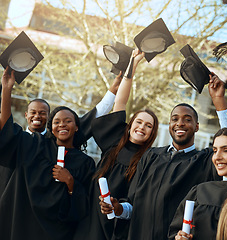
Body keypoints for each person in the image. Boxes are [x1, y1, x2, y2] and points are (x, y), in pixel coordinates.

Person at [100, 69, 227, 240]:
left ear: (196, 126)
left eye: (187, 119)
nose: (180, 123)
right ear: (170, 124)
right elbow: (132, 204)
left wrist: (218, 101)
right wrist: (118, 208)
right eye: (175, 118)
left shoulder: (204, 161)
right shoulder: (150, 157)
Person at [0, 67, 96, 240]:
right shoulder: (34, 144)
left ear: (76, 127)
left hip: (57, 232)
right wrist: (7, 90)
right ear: (51, 127)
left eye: (68, 121)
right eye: (57, 122)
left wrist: (71, 183)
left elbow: (85, 208)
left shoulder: (86, 163)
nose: (62, 125)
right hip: (23, 223)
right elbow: (6, 131)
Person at [74, 49, 159, 240]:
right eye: (138, 122)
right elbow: (121, 101)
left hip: (115, 221)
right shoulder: (115, 140)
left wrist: (118, 208)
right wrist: (133, 64)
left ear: (152, 133)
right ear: (129, 126)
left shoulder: (149, 158)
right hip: (89, 212)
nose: (142, 127)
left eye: (148, 126)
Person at [0, 71, 120, 198]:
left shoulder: (57, 143)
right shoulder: (26, 142)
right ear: (26, 114)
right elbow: (6, 129)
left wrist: (116, 87)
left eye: (42, 113)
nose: (37, 116)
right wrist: (6, 89)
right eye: (33, 112)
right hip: (10, 199)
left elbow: (92, 118)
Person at [168, 126, 227, 240]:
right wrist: (179, 237)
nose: (217, 157)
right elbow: (175, 232)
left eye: (226, 150)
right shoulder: (199, 193)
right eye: (215, 150)